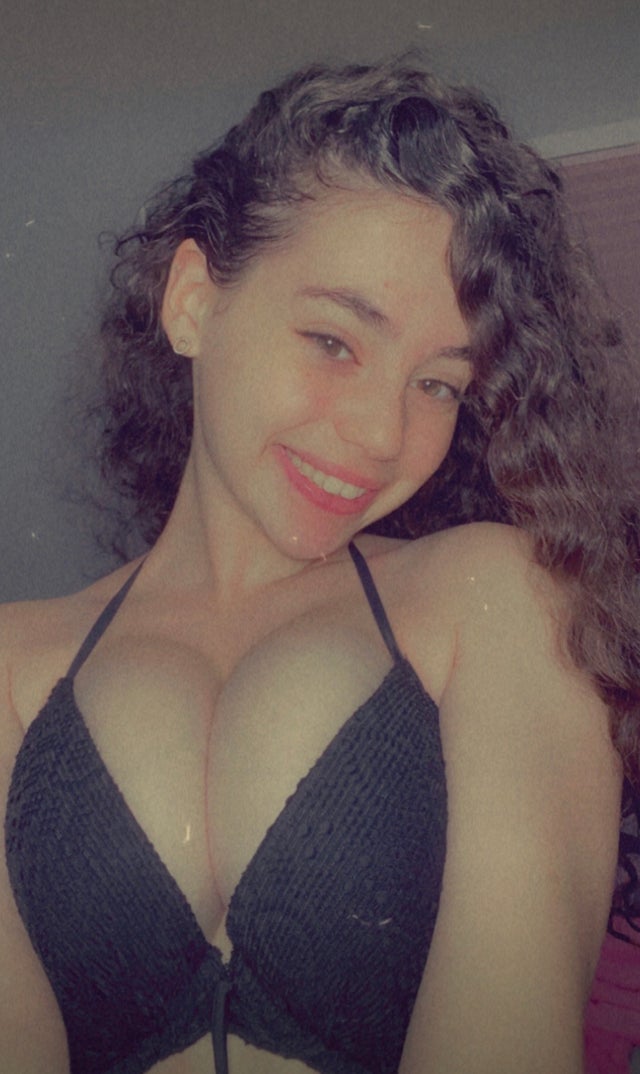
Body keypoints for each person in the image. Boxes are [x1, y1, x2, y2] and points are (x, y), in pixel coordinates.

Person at [1, 57, 639, 1074]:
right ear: (193, 302)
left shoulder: (493, 596)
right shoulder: (12, 666)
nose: (385, 435)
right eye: (335, 342)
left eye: (439, 385)